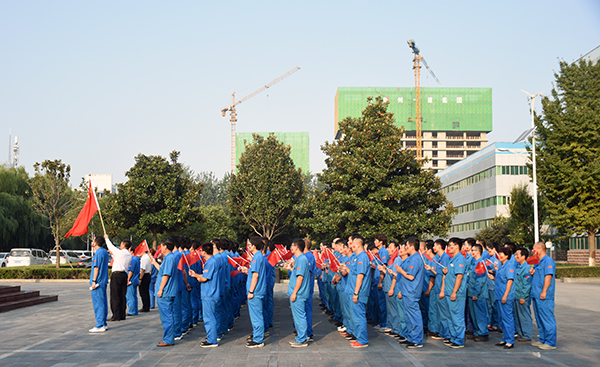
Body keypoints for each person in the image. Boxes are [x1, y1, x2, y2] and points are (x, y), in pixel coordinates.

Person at [341, 235, 371, 348]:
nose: (350, 246)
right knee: (355, 316)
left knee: (359, 316)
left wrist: (356, 293)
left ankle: (362, 340)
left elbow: (360, 276)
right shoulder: (358, 257)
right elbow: (354, 274)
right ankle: (359, 337)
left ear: (357, 245)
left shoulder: (363, 257)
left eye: (352, 243)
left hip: (358, 292)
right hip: (352, 289)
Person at [189, 242, 221, 348]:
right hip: (211, 294)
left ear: (204, 251)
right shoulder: (212, 261)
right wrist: (196, 275)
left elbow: (204, 278)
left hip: (209, 294)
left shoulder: (210, 262)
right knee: (211, 316)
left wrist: (196, 276)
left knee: (209, 318)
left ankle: (212, 340)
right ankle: (212, 337)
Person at [396, 237, 425, 348]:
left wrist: (401, 271)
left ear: (412, 247)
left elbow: (411, 276)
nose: (405, 248)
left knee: (414, 316)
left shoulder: (415, 259)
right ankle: (411, 337)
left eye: (407, 245)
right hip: (407, 291)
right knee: (408, 316)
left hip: (412, 291)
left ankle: (417, 340)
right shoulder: (411, 258)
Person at [529, 241, 557, 350]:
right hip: (536, 294)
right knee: (539, 318)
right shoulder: (538, 262)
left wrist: (544, 291)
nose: (533, 251)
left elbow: (548, 277)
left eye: (534, 248)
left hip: (544, 294)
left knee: (547, 317)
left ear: (540, 249)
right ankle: (543, 339)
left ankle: (550, 342)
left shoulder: (548, 261)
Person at [441, 237, 467, 348]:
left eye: (451, 245)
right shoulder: (453, 259)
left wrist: (454, 292)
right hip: (448, 292)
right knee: (450, 317)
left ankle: (459, 339)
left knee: (457, 317)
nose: (449, 248)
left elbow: (459, 276)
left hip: (456, 293)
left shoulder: (460, 259)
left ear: (457, 246)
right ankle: (453, 337)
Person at [151, 238, 178, 347]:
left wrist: (160, 289)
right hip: (167, 291)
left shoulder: (170, 258)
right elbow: (163, 271)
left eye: (161, 246)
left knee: (167, 316)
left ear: (165, 247)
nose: (160, 248)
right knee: (167, 316)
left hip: (166, 292)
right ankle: (168, 338)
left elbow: (166, 275)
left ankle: (168, 339)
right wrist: (154, 263)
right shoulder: (169, 258)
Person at [242, 237, 267, 348]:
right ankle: (257, 336)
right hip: (258, 290)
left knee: (256, 316)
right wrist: (247, 271)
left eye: (250, 245)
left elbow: (256, 276)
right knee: (257, 315)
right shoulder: (258, 257)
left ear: (255, 245)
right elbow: (254, 274)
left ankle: (258, 339)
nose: (249, 247)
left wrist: (251, 291)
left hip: (255, 292)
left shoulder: (257, 257)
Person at [285, 238, 311, 348]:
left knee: (300, 317)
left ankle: (302, 339)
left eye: (292, 245)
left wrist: (294, 293)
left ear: (296, 247)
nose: (291, 248)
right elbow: (297, 273)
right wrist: (290, 268)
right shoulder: (300, 259)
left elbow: (300, 278)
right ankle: (300, 337)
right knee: (297, 317)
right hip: (298, 293)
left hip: (299, 294)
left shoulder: (301, 259)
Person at [489, 247, 516, 349]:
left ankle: (510, 340)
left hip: (505, 297)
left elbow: (509, 281)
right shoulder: (501, 266)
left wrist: (505, 295)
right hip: (499, 295)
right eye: (499, 254)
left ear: (507, 256)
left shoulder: (509, 266)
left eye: (502, 254)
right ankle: (505, 338)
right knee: (502, 319)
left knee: (508, 318)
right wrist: (493, 277)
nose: (499, 256)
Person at [105, 234, 132, 321]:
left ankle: (116, 315)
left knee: (115, 295)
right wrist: (112, 254)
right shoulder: (128, 255)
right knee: (122, 295)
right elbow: (118, 258)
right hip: (124, 275)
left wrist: (107, 238)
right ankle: (122, 314)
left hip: (116, 275)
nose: (120, 245)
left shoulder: (121, 253)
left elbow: (111, 246)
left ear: (124, 245)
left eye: (121, 244)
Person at [467, 243, 489, 342]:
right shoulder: (474, 263)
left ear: (478, 251)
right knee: (474, 314)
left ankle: (483, 333)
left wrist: (476, 293)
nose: (471, 252)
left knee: (480, 315)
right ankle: (477, 331)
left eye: (473, 250)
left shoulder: (480, 264)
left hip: (478, 295)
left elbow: (480, 280)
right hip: (471, 293)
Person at [89, 236, 109, 333]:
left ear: (95, 243)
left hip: (98, 282)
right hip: (103, 281)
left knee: (98, 303)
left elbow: (96, 268)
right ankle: (104, 323)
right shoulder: (104, 252)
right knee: (103, 302)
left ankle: (100, 324)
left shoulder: (98, 253)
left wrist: (93, 281)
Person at [513, 247, 533, 342]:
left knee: (524, 316)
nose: (516, 256)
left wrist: (523, 296)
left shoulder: (527, 268)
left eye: (517, 254)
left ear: (523, 256)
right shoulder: (517, 267)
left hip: (522, 296)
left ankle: (527, 335)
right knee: (518, 316)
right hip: (516, 295)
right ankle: (521, 333)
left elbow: (527, 284)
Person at [126, 245, 140, 316]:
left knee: (130, 296)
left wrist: (127, 280)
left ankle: (132, 311)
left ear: (131, 251)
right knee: (134, 296)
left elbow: (131, 271)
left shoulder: (132, 259)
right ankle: (135, 310)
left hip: (131, 280)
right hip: (135, 279)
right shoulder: (137, 258)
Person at [139, 247, 152, 313]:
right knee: (146, 292)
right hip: (148, 275)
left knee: (143, 292)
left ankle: (145, 307)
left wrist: (140, 278)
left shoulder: (144, 258)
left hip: (144, 275)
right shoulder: (148, 257)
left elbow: (143, 269)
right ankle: (147, 306)